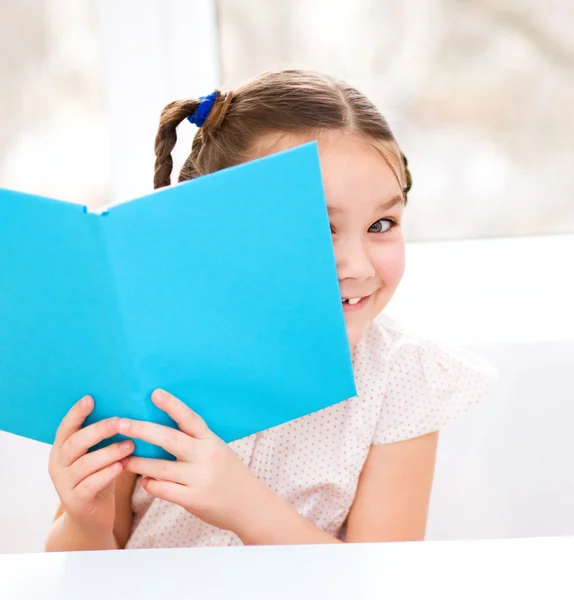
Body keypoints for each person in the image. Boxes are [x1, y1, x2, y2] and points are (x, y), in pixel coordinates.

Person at [44, 69, 496, 551]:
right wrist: (85, 522)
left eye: (382, 224)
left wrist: (242, 504)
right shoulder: (146, 362)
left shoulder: (404, 379)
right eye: (319, 229)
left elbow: (381, 581)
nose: (359, 266)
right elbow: (81, 561)